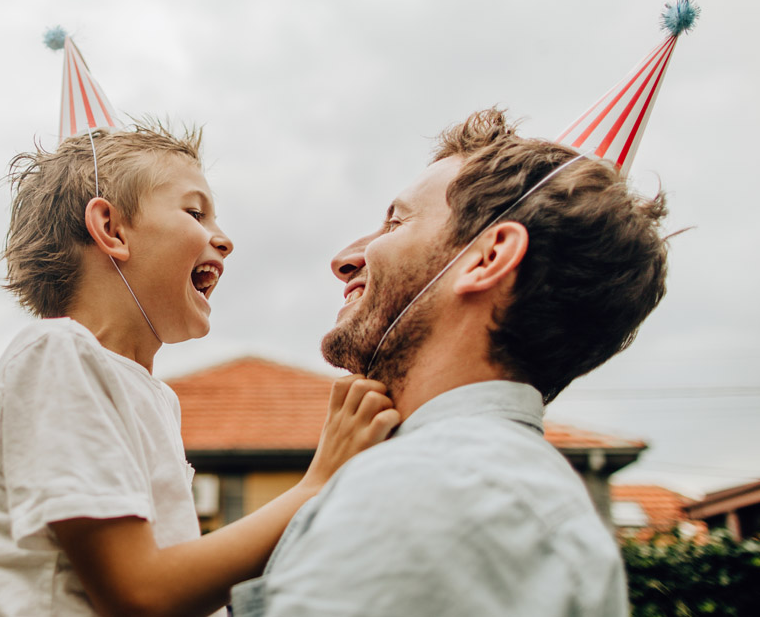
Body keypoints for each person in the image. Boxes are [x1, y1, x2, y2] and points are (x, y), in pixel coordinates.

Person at [231, 108, 670, 616]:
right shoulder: (483, 483)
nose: (346, 257)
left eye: (395, 221)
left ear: (488, 258)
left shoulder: (434, 489)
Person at [0, 122, 400, 617]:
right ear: (111, 230)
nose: (225, 240)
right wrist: (317, 484)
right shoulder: (56, 353)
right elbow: (141, 593)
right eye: (195, 212)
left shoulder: (151, 394)